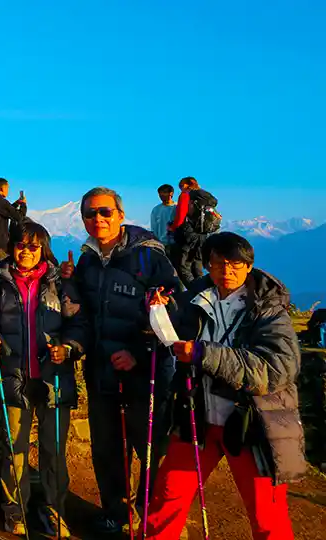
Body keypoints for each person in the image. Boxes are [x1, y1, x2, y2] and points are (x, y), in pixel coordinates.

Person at [145, 232, 304, 539]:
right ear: (208, 265)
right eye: (218, 263)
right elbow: (174, 329)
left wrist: (204, 354)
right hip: (199, 417)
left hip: (253, 424)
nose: (226, 270)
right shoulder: (197, 297)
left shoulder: (268, 310)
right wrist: (160, 309)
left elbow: (277, 369)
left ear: (249, 266)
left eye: (235, 263)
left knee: (267, 517)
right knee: (167, 498)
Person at [59, 187, 180, 534]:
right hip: (102, 371)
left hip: (147, 372)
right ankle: (117, 513)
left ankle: (150, 517)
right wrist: (69, 284)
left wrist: (139, 353)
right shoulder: (87, 261)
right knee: (107, 448)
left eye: (105, 212)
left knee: (151, 448)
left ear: (120, 215)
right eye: (90, 213)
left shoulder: (149, 257)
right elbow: (83, 314)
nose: (98, 219)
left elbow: (175, 313)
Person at [0, 221, 88, 537]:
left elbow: (77, 324)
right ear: (11, 246)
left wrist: (68, 348)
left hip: (54, 378)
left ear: (43, 249)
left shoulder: (60, 282)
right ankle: (15, 510)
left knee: (53, 450)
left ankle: (54, 510)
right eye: (21, 245)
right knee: (13, 450)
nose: (26, 251)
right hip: (14, 375)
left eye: (33, 246)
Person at [169, 176, 206, 288]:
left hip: (187, 235)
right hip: (202, 235)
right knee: (197, 266)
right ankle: (204, 290)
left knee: (182, 266)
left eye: (182, 185)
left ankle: (194, 291)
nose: (180, 188)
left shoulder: (185, 195)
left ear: (188, 185)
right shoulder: (203, 196)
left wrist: (173, 227)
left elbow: (181, 215)